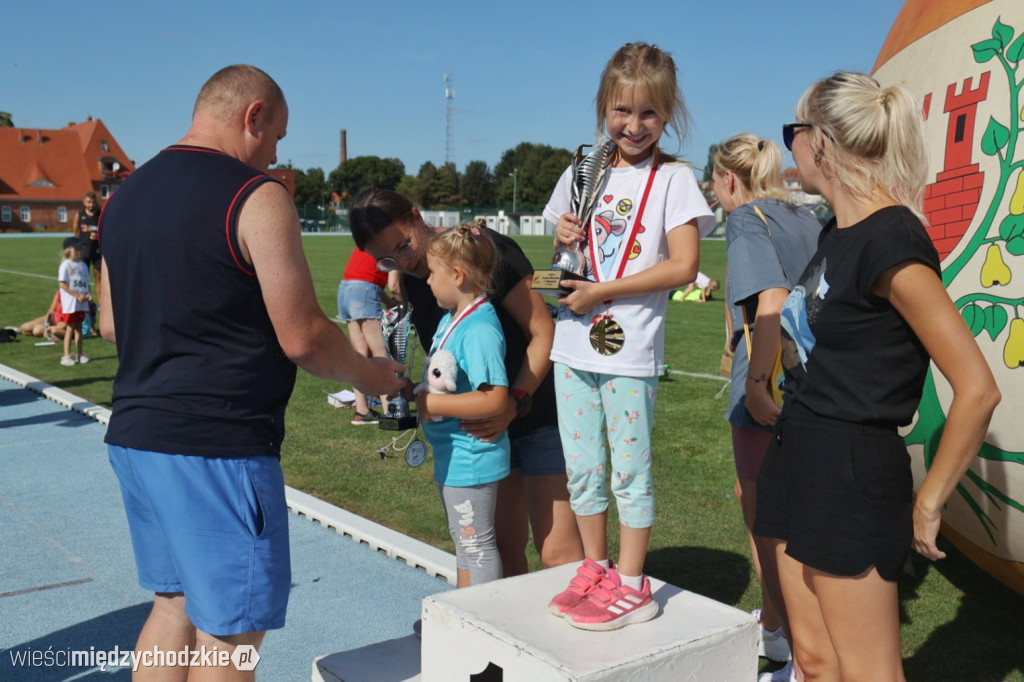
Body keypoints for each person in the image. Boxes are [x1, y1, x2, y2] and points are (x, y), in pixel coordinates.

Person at [97, 64, 404, 680]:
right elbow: (305, 337)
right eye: (275, 137)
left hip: (136, 433)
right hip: (218, 443)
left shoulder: (124, 194)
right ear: (253, 115)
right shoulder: (256, 195)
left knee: (173, 604)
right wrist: (376, 377)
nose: (272, 154)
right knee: (232, 635)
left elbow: (109, 324)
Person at [755, 72, 1000, 682]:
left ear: (823, 142)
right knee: (813, 662)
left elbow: (977, 386)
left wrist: (930, 501)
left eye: (795, 133)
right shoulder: (839, 232)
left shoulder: (892, 238)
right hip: (798, 454)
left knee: (868, 674)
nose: (790, 149)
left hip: (851, 471)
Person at [543, 42, 714, 631]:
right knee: (584, 468)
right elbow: (565, 250)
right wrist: (565, 229)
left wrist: (603, 293)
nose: (633, 126)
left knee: (629, 471)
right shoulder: (584, 168)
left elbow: (684, 267)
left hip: (629, 347)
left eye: (648, 114)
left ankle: (635, 583)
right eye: (621, 112)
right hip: (571, 342)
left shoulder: (674, 179)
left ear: (667, 115)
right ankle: (596, 566)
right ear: (603, 108)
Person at [351, 188, 585, 579]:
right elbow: (448, 367)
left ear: (416, 215)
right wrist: (418, 393)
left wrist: (515, 402)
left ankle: (582, 632)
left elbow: (544, 332)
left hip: (537, 411)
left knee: (557, 553)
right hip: (487, 432)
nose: (403, 262)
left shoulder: (485, 251)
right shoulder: (418, 282)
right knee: (502, 548)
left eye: (403, 246)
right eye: (386, 260)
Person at [712, 132, 822, 680]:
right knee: (786, 505)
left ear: (729, 179)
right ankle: (781, 631)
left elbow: (771, 302)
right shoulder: (806, 214)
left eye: (714, 181)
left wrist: (755, 382)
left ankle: (794, 647)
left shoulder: (745, 218)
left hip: (771, 379)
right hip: (813, 380)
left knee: (769, 517)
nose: (713, 193)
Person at [413, 222, 510, 587]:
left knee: (477, 545)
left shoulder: (480, 329)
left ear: (457, 275)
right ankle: (462, 620)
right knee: (465, 543)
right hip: (454, 455)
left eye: (432, 273)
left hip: (472, 456)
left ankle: (481, 626)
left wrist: (433, 404)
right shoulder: (450, 320)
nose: (426, 281)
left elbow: (494, 397)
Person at [336, 246, 399, 425]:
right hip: (363, 291)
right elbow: (393, 286)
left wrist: (392, 304)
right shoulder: (394, 245)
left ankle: (362, 411)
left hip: (345, 290)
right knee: (382, 355)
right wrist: (403, 304)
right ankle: (390, 413)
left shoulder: (370, 240)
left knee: (360, 356)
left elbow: (369, 281)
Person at [57, 241, 92, 365]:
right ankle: (66, 355)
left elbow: (85, 283)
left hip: (81, 302)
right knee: (70, 328)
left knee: (79, 328)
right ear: (69, 250)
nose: (79, 252)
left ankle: (79, 353)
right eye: (76, 249)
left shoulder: (82, 265)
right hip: (71, 302)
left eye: (80, 249)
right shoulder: (66, 265)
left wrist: (87, 294)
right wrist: (76, 295)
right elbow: (62, 283)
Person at [73, 191, 103, 318]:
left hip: (97, 251)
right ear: (84, 203)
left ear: (95, 202)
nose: (91, 204)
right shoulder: (79, 215)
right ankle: (88, 302)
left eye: (92, 202)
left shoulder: (100, 214)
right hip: (84, 252)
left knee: (99, 277)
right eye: (88, 202)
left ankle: (101, 303)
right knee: (84, 278)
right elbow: (75, 231)